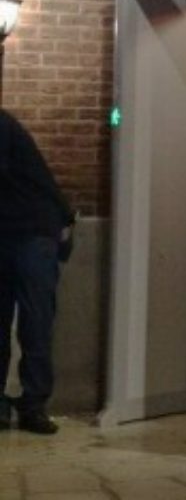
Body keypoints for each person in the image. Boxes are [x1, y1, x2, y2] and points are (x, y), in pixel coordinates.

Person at [1, 109, 76, 435]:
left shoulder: (2, 125)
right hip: (9, 231)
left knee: (36, 320)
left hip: (35, 230)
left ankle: (33, 405)